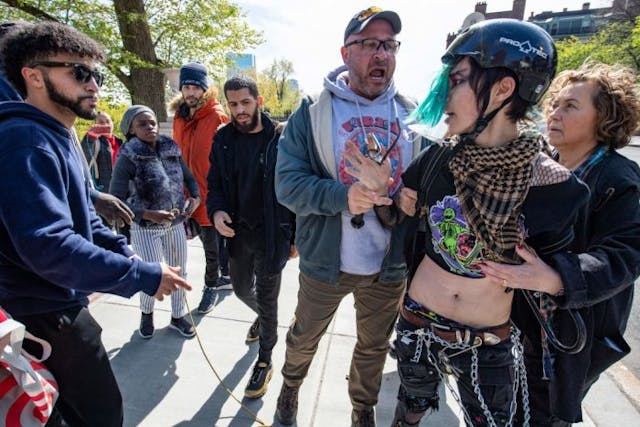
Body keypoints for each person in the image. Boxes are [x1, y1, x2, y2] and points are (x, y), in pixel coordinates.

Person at [349, 19, 591, 426]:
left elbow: (581, 272)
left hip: (489, 340)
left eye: (458, 79)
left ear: (503, 88)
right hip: (418, 321)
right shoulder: (439, 158)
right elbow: (395, 217)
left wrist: (553, 277)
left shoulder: (553, 186)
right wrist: (381, 194)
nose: (443, 94)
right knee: (408, 411)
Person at [0, 22, 191, 426]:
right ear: (33, 76)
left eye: (96, 75)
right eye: (78, 72)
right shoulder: (25, 140)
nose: (93, 85)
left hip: (59, 305)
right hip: (42, 313)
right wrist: (140, 275)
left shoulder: (54, 134)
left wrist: (125, 252)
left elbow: (84, 220)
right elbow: (49, 245)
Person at [275, 7, 424, 426]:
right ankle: (290, 386)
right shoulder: (313, 111)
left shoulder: (413, 117)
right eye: (370, 44)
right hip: (326, 263)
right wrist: (347, 196)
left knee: (374, 347)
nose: (382, 54)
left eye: (390, 45)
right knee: (304, 336)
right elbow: (287, 186)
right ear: (346, 53)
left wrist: (415, 201)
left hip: (389, 267)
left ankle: (362, 408)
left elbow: (432, 187)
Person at [482, 62, 640, 426]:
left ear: (605, 117)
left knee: (542, 416)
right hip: (519, 329)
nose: (554, 113)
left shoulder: (617, 177)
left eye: (571, 106)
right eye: (555, 104)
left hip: (565, 338)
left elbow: (626, 256)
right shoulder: (541, 164)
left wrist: (556, 278)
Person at [207, 75, 296, 399]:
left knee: (269, 301)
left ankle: (265, 359)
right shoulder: (223, 139)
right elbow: (214, 183)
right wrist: (216, 212)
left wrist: (295, 235)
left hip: (273, 235)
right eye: (233, 104)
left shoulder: (281, 138)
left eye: (245, 102)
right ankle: (263, 319)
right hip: (237, 234)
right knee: (243, 288)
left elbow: (295, 187)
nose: (239, 110)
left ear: (258, 101)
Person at [110, 105, 201, 339]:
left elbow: (189, 178)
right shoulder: (128, 155)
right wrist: (148, 214)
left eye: (152, 122)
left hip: (176, 224)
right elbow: (115, 200)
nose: (150, 127)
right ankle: (146, 313)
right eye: (142, 124)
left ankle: (178, 316)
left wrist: (195, 197)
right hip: (145, 228)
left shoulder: (171, 147)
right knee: (151, 274)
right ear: (130, 128)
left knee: (181, 271)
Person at [169, 62, 232, 314]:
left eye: (196, 87)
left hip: (209, 194)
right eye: (186, 86)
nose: (191, 92)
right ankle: (225, 275)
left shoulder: (217, 115)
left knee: (211, 248)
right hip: (184, 193)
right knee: (182, 244)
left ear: (204, 89)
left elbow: (228, 157)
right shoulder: (179, 117)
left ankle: (211, 286)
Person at [80, 111, 123, 192]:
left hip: (122, 192)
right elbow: (83, 161)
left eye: (108, 121)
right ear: (95, 124)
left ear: (112, 123)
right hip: (102, 192)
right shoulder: (92, 141)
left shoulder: (121, 143)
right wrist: (90, 138)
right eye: (101, 122)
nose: (105, 124)